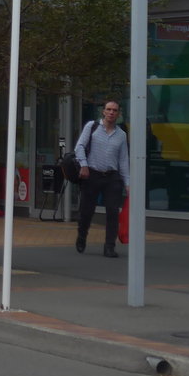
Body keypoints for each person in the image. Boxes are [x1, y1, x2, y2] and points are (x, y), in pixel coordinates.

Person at [75, 99, 130, 258]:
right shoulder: (92, 127)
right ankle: (82, 236)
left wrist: (127, 183)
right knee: (86, 210)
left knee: (113, 212)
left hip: (112, 177)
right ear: (103, 111)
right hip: (92, 174)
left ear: (118, 114)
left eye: (115, 110)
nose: (111, 112)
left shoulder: (121, 135)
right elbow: (79, 146)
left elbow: (123, 160)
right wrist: (84, 165)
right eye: (109, 109)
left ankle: (109, 246)